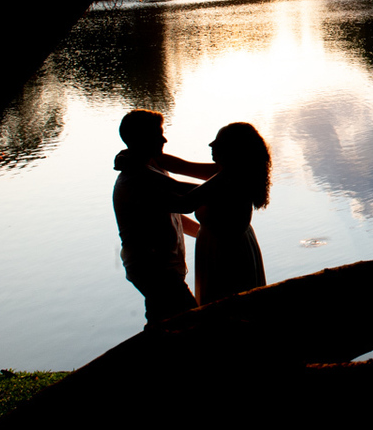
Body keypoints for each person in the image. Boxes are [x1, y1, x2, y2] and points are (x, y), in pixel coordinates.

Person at [159, 122, 269, 306]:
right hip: (235, 244)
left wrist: (143, 178)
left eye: (218, 142)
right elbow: (182, 167)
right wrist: (144, 157)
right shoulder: (235, 171)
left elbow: (185, 203)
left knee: (225, 306)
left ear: (233, 150)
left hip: (225, 253)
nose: (211, 144)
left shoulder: (227, 177)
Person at [112, 109, 202, 326]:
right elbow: (186, 200)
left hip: (156, 267)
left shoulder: (149, 166)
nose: (164, 139)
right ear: (142, 139)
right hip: (153, 269)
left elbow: (175, 214)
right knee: (191, 320)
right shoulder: (138, 178)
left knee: (162, 318)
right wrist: (228, 181)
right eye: (158, 134)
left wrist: (202, 234)